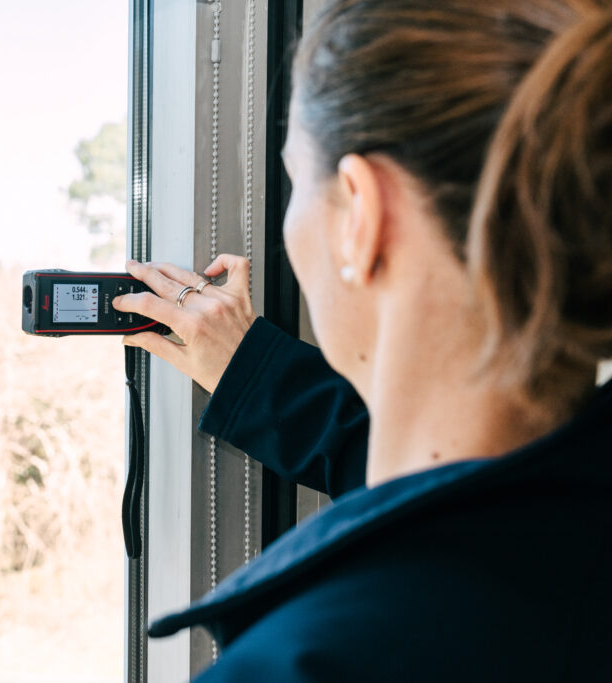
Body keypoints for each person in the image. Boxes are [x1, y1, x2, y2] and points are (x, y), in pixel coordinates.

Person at [111, 0, 612, 679]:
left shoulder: (304, 664)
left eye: (293, 183)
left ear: (362, 218)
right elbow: (466, 497)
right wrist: (252, 370)